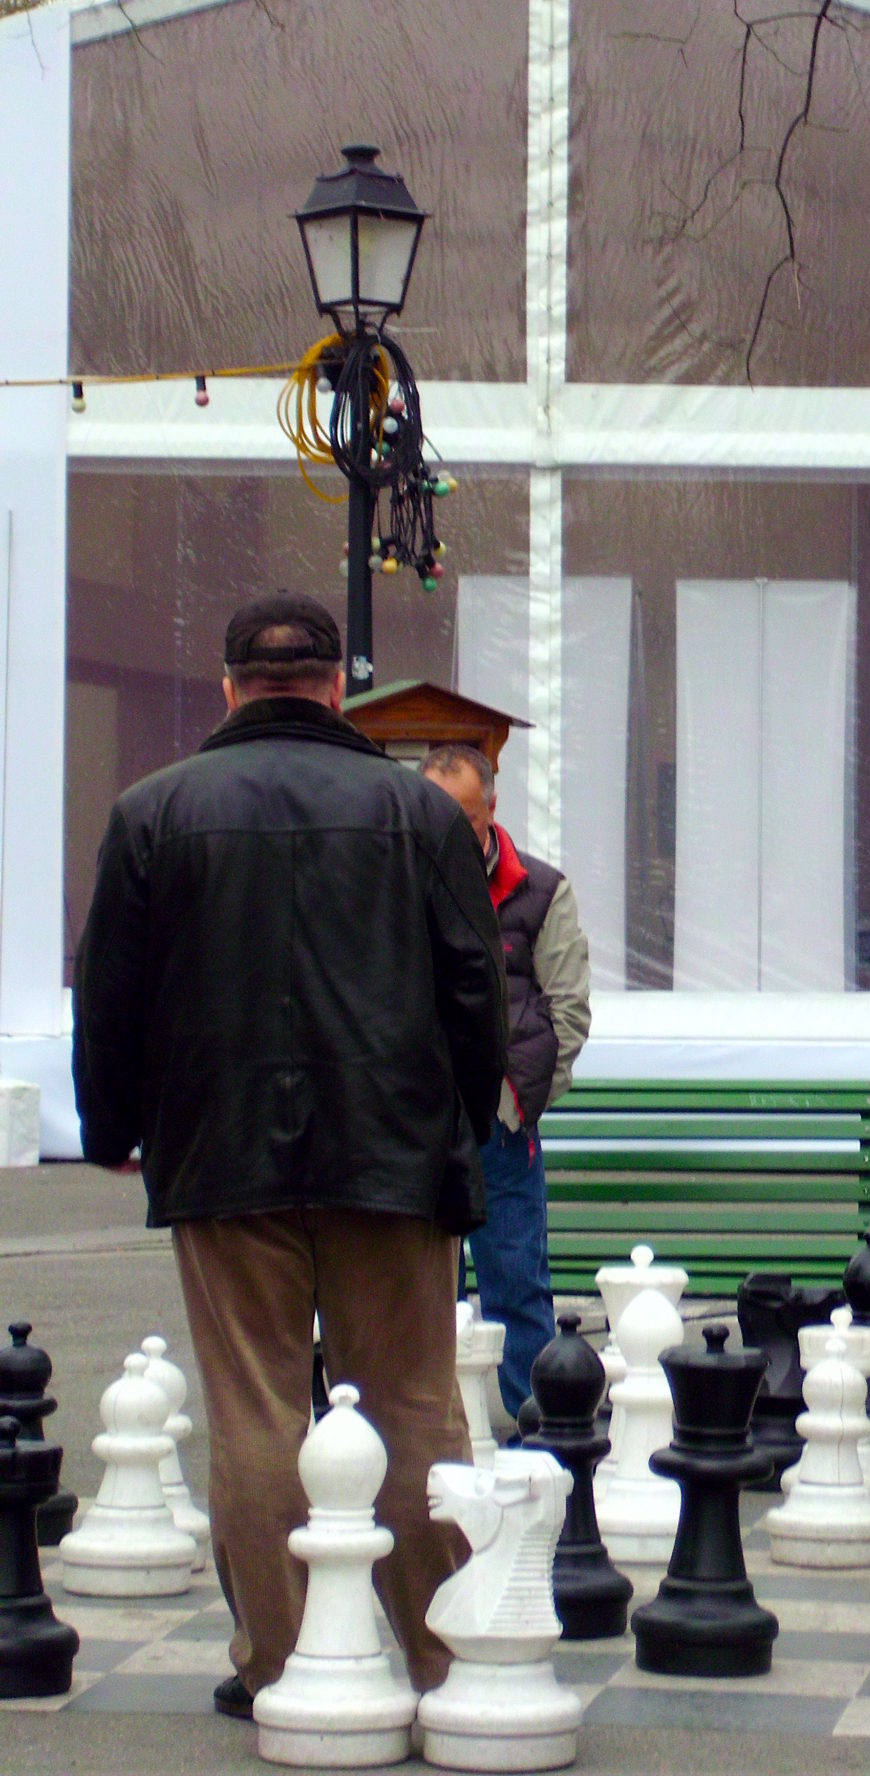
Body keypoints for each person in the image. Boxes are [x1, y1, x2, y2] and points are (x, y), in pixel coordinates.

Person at [72, 593, 508, 1716]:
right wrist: (457, 1126)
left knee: (258, 1408)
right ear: (331, 687)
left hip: (221, 1151)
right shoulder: (418, 815)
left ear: (229, 686)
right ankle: (435, 1655)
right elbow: (475, 993)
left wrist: (116, 1125)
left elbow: (108, 1000)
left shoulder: (151, 811)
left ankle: (278, 1661)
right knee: (413, 1408)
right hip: (394, 1152)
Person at [421, 743, 592, 1421]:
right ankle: (427, 1423)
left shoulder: (542, 891)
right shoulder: (400, 881)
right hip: (422, 1116)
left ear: (492, 807)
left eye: (464, 817)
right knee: (420, 1288)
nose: (451, 833)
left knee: (517, 1280)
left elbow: (569, 1008)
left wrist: (521, 1098)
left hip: (499, 1115)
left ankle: (539, 1423)